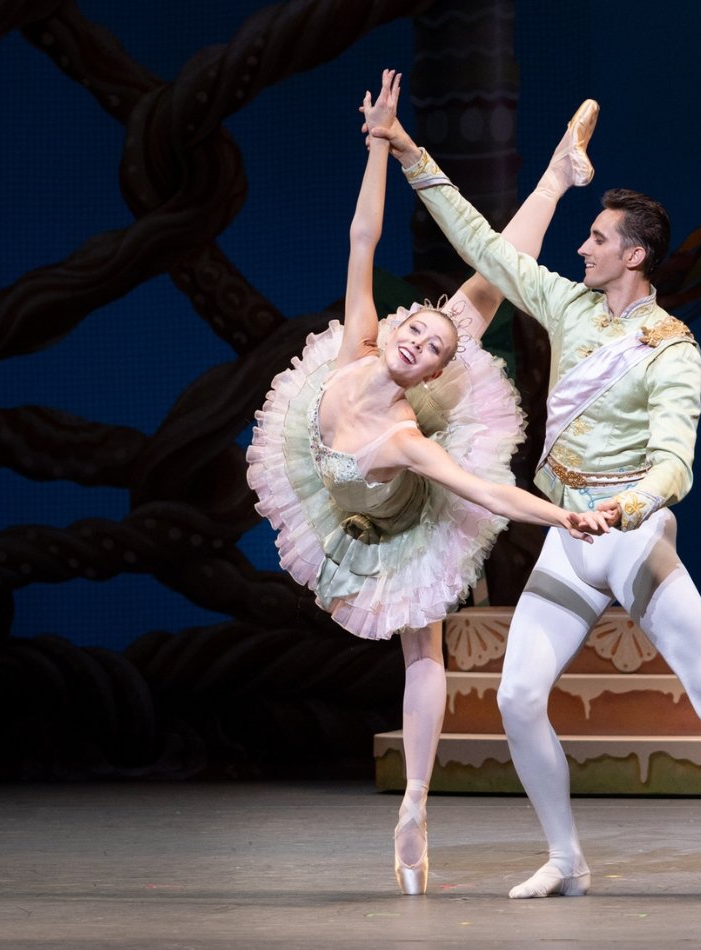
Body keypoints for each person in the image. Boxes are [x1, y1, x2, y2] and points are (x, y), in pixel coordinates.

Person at [370, 110, 701, 900]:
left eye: (596, 238)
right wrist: (406, 150)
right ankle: (567, 860)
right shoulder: (569, 307)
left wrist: (626, 510)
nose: (581, 247)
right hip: (570, 532)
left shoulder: (672, 346)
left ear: (632, 254)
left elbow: (673, 463)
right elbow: (485, 246)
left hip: (631, 536)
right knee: (518, 696)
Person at [245, 70, 610, 896]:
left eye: (436, 349)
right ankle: (553, 178)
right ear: (397, 330)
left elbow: (491, 497)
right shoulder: (357, 347)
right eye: (417, 328)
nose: (418, 341)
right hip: (340, 503)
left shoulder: (410, 435)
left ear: (434, 373)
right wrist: (378, 142)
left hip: (406, 512)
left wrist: (564, 516)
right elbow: (362, 239)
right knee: (473, 292)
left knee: (423, 646)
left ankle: (414, 802)